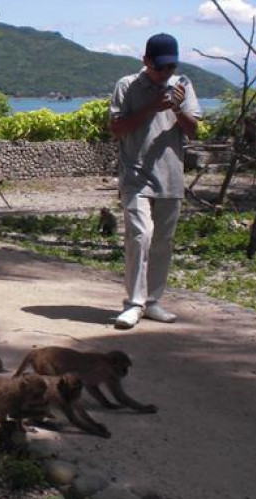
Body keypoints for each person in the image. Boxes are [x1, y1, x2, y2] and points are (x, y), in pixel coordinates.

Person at [109, 33, 201, 329]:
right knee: (140, 235)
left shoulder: (182, 87)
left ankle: (153, 302)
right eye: (160, 67)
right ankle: (134, 303)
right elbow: (117, 128)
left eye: (170, 67)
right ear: (145, 61)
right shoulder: (127, 86)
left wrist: (176, 107)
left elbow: (193, 130)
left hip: (171, 176)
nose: (165, 74)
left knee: (163, 241)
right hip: (136, 175)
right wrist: (151, 108)